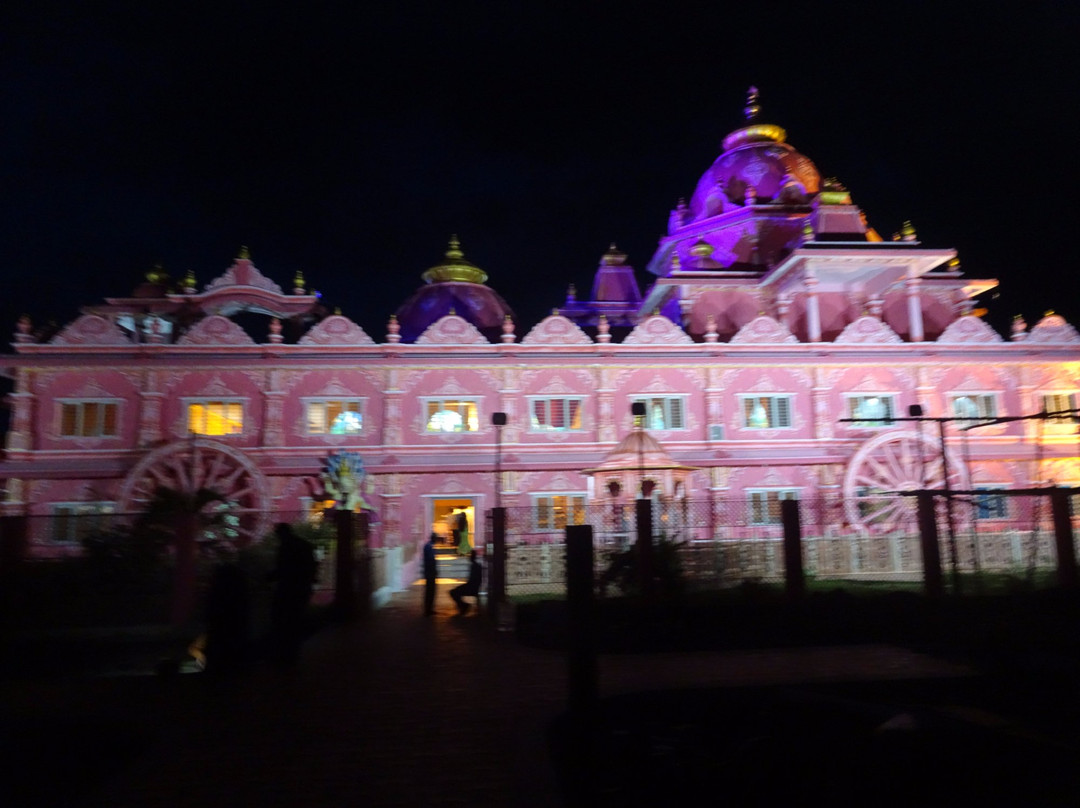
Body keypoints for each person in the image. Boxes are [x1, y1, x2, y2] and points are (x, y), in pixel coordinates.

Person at [268, 522, 317, 666]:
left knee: (282, 620)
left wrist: (267, 577)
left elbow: (283, 569)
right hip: (302, 588)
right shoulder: (304, 545)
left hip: (288, 589)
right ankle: (292, 653)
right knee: (295, 620)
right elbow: (312, 566)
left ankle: (284, 654)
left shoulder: (286, 547)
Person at [450, 550, 482, 614]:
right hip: (473, 587)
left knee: (453, 592)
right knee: (455, 591)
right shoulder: (476, 566)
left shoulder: (475, 566)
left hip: (471, 587)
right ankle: (464, 605)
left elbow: (472, 580)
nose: (469, 557)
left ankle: (464, 605)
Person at [423, 532, 437, 615]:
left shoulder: (428, 546)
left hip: (429, 572)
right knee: (430, 592)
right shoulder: (430, 547)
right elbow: (431, 560)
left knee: (430, 591)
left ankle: (429, 609)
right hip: (430, 573)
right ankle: (428, 610)